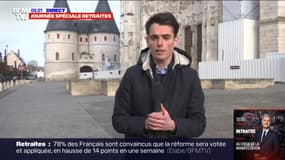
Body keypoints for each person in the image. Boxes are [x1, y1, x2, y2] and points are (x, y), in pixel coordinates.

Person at [112, 12, 206, 138]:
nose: (160, 43)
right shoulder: (132, 75)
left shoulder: (190, 77)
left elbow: (199, 124)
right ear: (147, 40)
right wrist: (145, 124)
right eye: (154, 37)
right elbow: (118, 120)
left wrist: (173, 125)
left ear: (175, 40)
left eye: (166, 37)